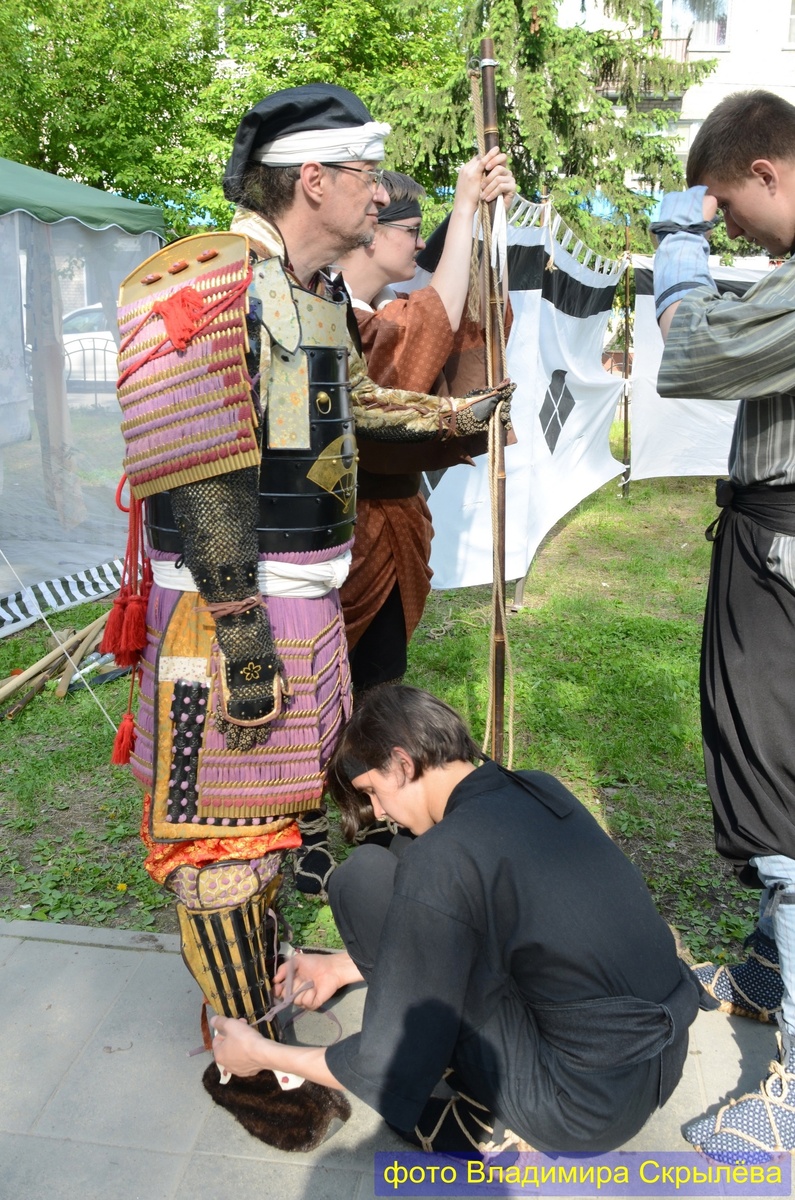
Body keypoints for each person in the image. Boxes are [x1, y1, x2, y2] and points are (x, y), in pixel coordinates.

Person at [110, 82, 512, 1143]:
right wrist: (245, 641)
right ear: (316, 180)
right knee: (224, 855)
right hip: (224, 621)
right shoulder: (202, 283)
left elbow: (342, 405)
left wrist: (450, 412)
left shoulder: (309, 289)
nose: (381, 195)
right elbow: (197, 474)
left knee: (281, 832)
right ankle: (245, 1058)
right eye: (367, 175)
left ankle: (270, 998)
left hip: (303, 610)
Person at [212, 685, 700, 1155]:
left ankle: (483, 1110)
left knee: (360, 878)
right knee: (393, 859)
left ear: (403, 763)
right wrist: (342, 967)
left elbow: (388, 1060)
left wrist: (258, 1053)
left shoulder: (446, 856)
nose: (378, 812)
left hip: (575, 1108)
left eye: (374, 791)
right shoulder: (538, 789)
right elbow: (531, 930)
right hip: (658, 1062)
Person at [651, 89, 795, 1161]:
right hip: (770, 552)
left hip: (786, 567)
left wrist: (676, 244)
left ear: (767, 173)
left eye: (728, 207)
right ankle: (762, 970)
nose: (729, 227)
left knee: (785, 809)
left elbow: (693, 354)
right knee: (767, 772)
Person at [334, 152, 515, 694]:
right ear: (371, 232)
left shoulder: (384, 308)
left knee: (378, 683)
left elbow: (450, 320)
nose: (418, 244)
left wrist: (485, 217)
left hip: (396, 525)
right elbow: (425, 327)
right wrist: (462, 208)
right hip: (345, 533)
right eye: (411, 230)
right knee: (339, 689)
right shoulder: (338, 317)